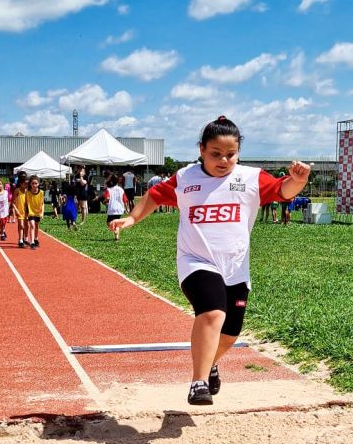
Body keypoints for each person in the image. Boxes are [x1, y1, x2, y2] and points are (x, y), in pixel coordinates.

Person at [109, 116, 310, 406]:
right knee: (213, 313)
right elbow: (154, 195)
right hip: (195, 261)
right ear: (201, 149)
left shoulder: (251, 178)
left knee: (230, 333)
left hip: (235, 268)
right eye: (216, 154)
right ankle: (198, 382)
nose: (224, 160)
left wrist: (299, 180)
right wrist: (132, 217)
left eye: (231, 154)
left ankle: (211, 363)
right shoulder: (186, 178)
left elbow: (282, 191)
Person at [103, 175, 129, 241]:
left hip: (112, 208)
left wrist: (103, 201)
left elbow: (107, 199)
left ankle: (114, 230)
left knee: (109, 222)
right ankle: (116, 237)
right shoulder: (121, 189)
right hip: (120, 209)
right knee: (117, 222)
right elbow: (125, 200)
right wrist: (126, 209)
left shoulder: (108, 190)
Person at [26, 175, 45, 249]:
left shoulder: (41, 192)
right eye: (32, 183)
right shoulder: (27, 193)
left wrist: (42, 212)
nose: (34, 185)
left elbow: (43, 203)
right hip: (31, 212)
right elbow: (25, 204)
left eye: (36, 183)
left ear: (38, 184)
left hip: (38, 212)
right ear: (30, 184)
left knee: (36, 226)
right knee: (32, 225)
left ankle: (36, 238)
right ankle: (32, 242)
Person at [13, 175, 29, 247]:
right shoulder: (17, 190)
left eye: (27, 184)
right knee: (21, 225)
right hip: (19, 211)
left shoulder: (27, 191)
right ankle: (20, 240)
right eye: (25, 183)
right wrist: (16, 210)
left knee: (27, 225)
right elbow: (13, 202)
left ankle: (25, 238)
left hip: (27, 211)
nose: (26, 185)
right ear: (20, 183)